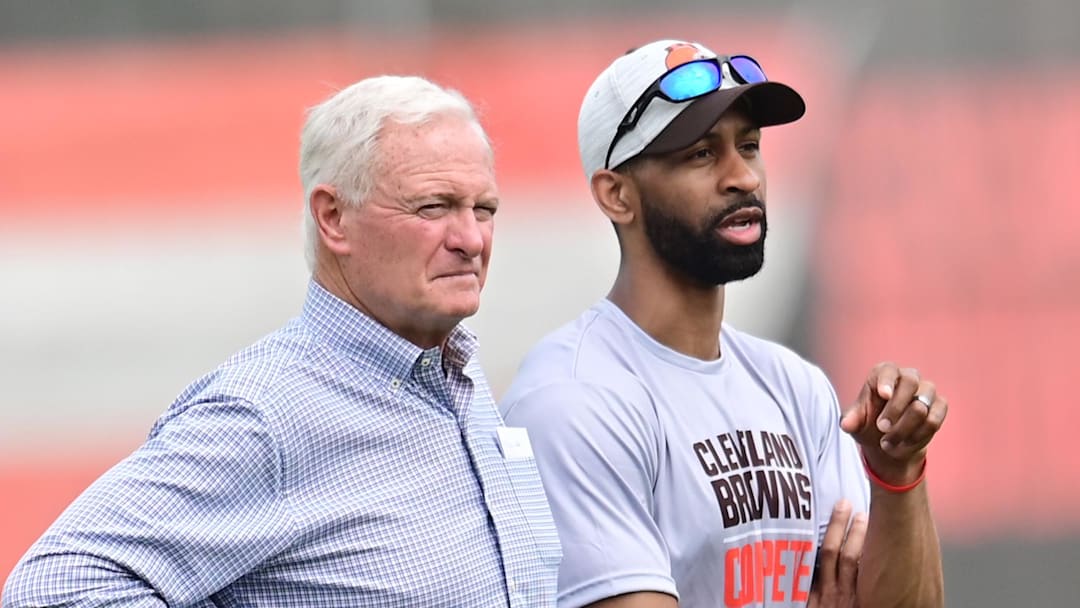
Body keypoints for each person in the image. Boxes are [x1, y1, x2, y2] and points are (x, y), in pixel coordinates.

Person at [3, 75, 561, 607]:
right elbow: (55, 586)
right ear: (334, 217)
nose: (470, 240)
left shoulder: (449, 373)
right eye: (432, 207)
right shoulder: (268, 414)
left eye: (483, 209)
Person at [500, 39, 947, 608]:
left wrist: (897, 473)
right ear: (616, 195)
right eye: (701, 154)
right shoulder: (573, 401)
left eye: (750, 146)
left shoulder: (794, 386)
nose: (745, 178)